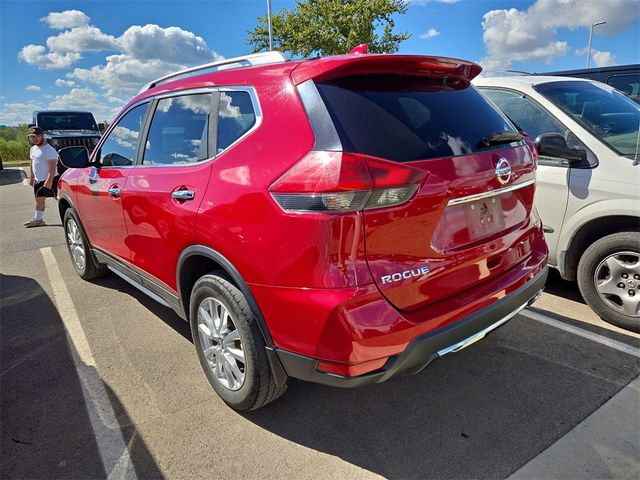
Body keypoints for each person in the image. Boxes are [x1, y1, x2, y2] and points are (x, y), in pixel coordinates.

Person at [24, 126, 59, 228]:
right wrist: (31, 177)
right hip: (38, 180)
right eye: (32, 137)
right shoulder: (33, 149)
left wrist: (49, 181)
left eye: (36, 136)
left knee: (60, 198)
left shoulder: (49, 150)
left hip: (51, 180)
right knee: (39, 200)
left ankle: (79, 216)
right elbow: (32, 163)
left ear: (42, 136)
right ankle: (38, 220)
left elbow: (52, 169)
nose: (34, 139)